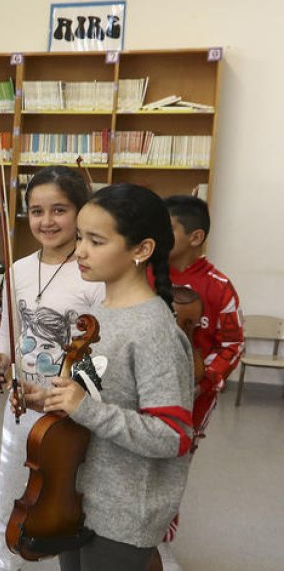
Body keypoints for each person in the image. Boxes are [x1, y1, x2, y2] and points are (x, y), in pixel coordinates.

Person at [19, 184, 195, 571]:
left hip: (125, 511)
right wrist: (52, 398)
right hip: (77, 494)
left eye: (96, 241)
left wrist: (85, 409)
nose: (80, 250)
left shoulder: (154, 331)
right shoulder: (104, 310)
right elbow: (96, 392)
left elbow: (174, 435)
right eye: (81, 236)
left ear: (141, 250)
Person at [0, 166, 104, 571]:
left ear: (81, 212)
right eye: (36, 211)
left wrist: (68, 393)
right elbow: (7, 336)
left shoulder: (94, 275)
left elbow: (101, 357)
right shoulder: (17, 269)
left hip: (72, 414)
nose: (46, 221)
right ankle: (2, 565)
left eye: (59, 210)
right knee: (12, 499)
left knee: (71, 506)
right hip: (20, 410)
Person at [151, 195, 244, 570]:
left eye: (167, 228)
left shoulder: (219, 286)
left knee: (174, 467)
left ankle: (161, 541)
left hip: (194, 396)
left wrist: (208, 378)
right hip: (146, 387)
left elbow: (233, 343)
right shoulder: (145, 272)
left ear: (195, 236)